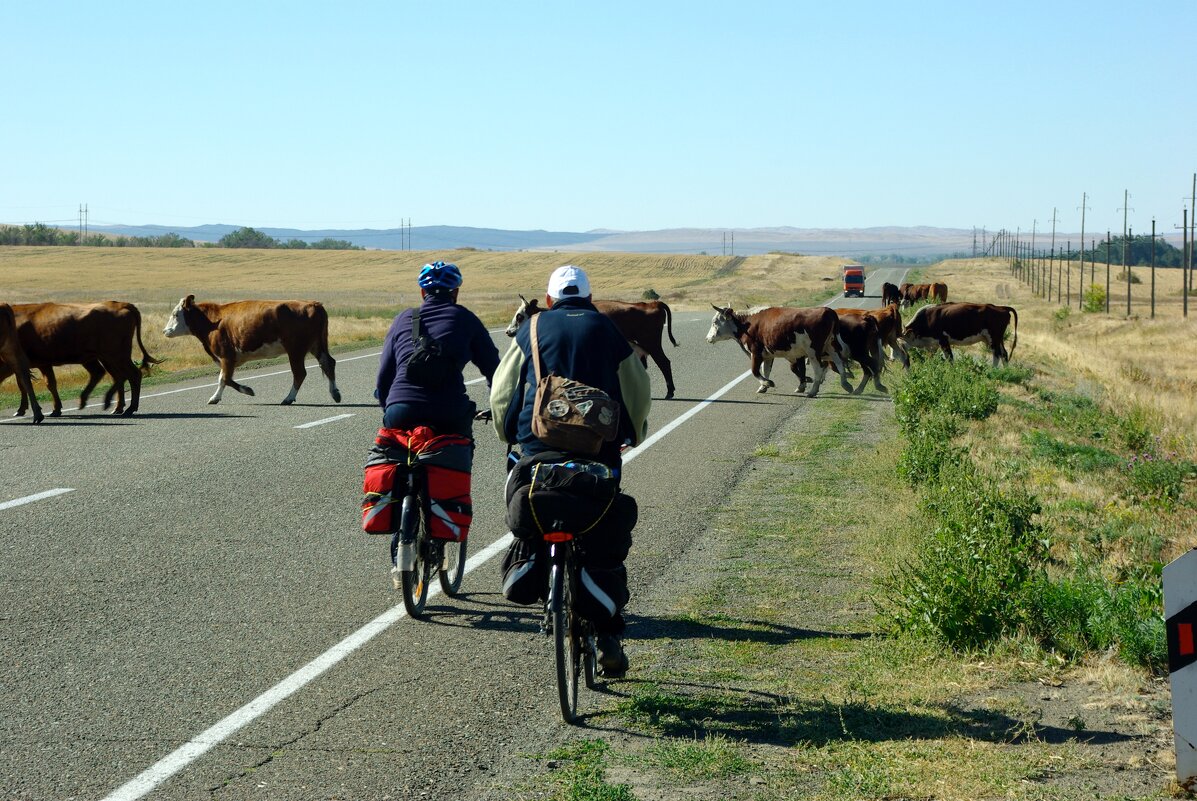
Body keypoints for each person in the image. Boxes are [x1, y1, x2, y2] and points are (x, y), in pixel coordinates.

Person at [490, 264, 651, 677]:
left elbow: (503, 390)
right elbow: (637, 388)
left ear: (549, 300)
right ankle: (608, 634)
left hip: (536, 447)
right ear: (590, 299)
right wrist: (634, 432)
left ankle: (536, 560)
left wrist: (511, 430)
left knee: (529, 506)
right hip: (598, 450)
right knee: (601, 534)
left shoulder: (532, 328)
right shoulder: (608, 329)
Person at [376, 261, 501, 433]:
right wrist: (498, 407)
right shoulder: (466, 318)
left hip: (401, 409)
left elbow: (384, 372)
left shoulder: (402, 319)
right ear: (455, 292)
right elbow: (494, 369)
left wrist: (388, 406)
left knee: (390, 451)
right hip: (448, 409)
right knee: (459, 448)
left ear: (422, 292)